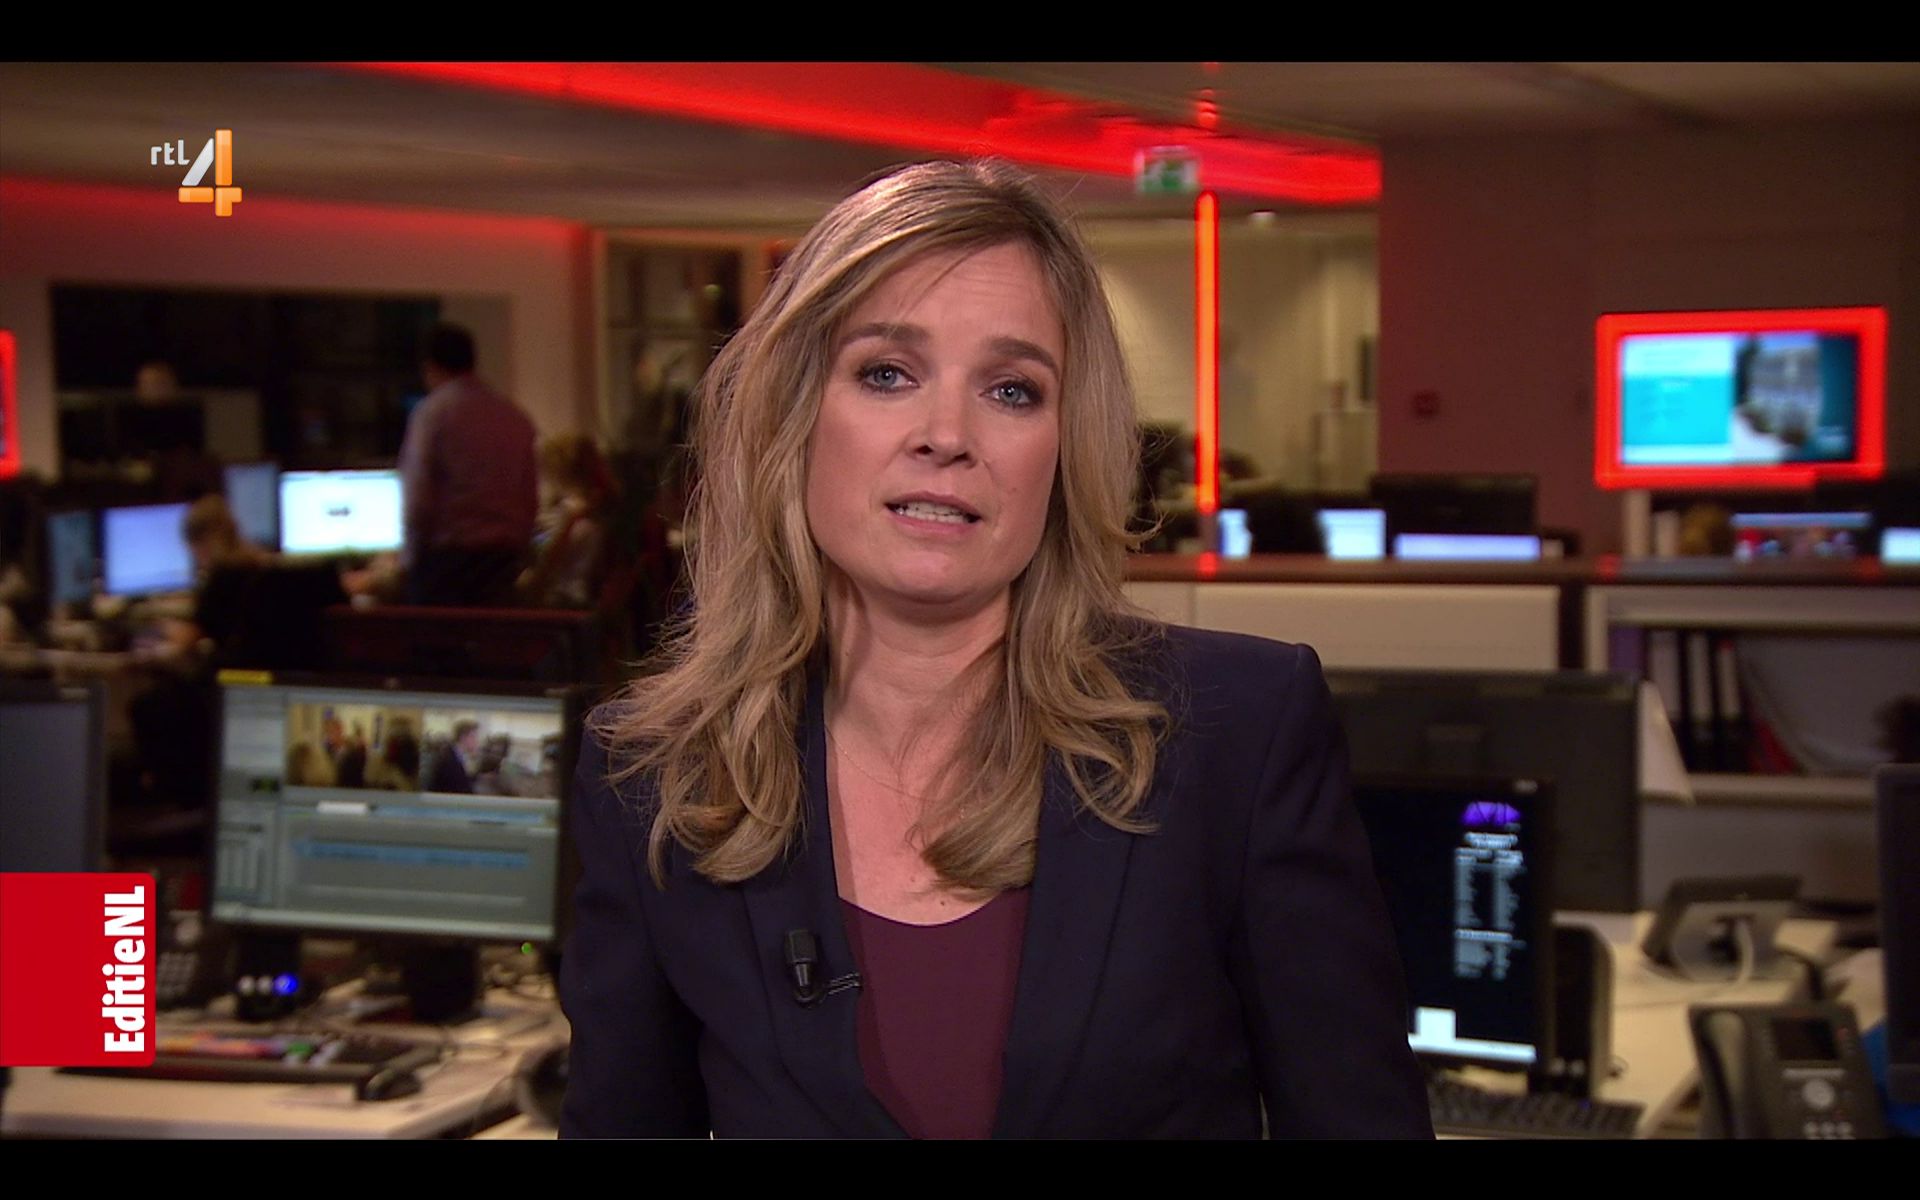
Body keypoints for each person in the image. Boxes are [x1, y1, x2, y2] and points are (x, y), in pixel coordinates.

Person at [559, 160, 1430, 1139]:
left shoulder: (1240, 732)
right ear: (793, 417)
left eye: (1012, 390)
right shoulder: (655, 775)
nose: (947, 435)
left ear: (1063, 446)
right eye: (887, 373)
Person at [398, 323, 538, 606]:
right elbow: (529, 493)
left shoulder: (432, 414)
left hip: (447, 562)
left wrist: (409, 559)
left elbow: (419, 496)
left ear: (430, 367)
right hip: (503, 559)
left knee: (439, 633)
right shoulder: (514, 416)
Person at [519, 433, 616, 610]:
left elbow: (546, 557)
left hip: (558, 600)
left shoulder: (568, 512)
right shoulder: (599, 512)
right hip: (584, 598)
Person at [428, 720, 481, 795]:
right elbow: (461, 788)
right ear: (463, 737)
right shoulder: (449, 760)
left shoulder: (457, 754)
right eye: (473, 737)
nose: (476, 741)